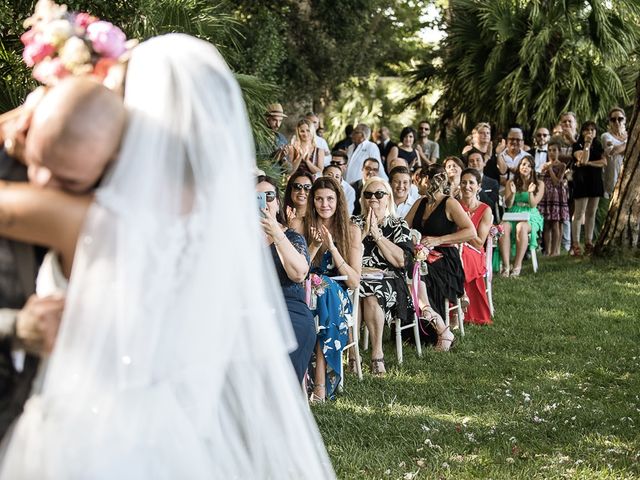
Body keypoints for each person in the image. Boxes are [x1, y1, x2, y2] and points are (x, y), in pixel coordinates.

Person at [0, 33, 335, 478]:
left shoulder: (92, 219)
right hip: (174, 435)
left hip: (83, 436)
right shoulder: (217, 228)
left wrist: (24, 120)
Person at [292, 177, 361, 402]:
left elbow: (354, 281)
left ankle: (319, 381)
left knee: (326, 289)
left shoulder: (351, 229)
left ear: (338, 201)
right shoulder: (300, 225)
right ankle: (309, 381)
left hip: (337, 298)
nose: (324, 204)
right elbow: (298, 270)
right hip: (303, 293)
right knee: (318, 290)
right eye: (319, 199)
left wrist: (332, 247)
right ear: (312, 201)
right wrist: (314, 245)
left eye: (330, 199)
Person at [405, 165, 475, 349]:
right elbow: (403, 227)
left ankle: (434, 326)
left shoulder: (450, 203)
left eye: (417, 178)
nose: (415, 183)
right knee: (408, 271)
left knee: (421, 273)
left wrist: (439, 239)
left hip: (445, 260)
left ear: (427, 180)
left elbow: (471, 232)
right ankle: (420, 324)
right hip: (421, 256)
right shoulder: (420, 203)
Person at [256, 175, 316, 384]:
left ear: (278, 202)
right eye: (256, 197)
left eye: (269, 196)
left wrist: (275, 233)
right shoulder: (239, 238)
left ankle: (278, 400)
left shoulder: (292, 237)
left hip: (289, 308)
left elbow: (299, 273)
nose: (264, 201)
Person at [352, 177, 414, 375]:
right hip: (355, 277)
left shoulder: (397, 225)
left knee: (370, 295)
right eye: (368, 194)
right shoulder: (353, 222)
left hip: (389, 281)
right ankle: (353, 354)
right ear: (362, 199)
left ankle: (376, 354)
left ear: (388, 199)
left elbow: (401, 261)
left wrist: (377, 235)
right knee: (353, 291)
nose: (373, 199)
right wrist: (364, 231)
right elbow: (345, 254)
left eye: (379, 194)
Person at [499, 156, 545, 277]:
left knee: (521, 227)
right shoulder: (511, 182)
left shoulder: (539, 184)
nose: (525, 167)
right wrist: (513, 193)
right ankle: (506, 265)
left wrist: (530, 192)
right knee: (503, 228)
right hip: (513, 212)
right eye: (523, 164)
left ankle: (517, 265)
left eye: (529, 166)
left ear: (532, 169)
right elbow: (508, 204)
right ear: (519, 166)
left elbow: (533, 204)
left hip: (530, 215)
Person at [457, 169, 492, 325]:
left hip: (475, 253)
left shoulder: (485, 210)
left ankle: (461, 296)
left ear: (478, 186)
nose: (467, 186)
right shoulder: (454, 205)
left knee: (462, 253)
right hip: (454, 248)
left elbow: (479, 243)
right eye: (464, 182)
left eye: (471, 183)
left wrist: (466, 225)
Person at [571, 121, 606, 256]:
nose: (590, 132)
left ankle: (588, 242)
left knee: (591, 213)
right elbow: (582, 159)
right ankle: (575, 245)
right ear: (582, 132)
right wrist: (586, 144)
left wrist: (589, 163)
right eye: (587, 130)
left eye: (593, 130)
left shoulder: (598, 145)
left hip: (595, 181)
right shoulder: (577, 145)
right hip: (582, 182)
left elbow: (604, 162)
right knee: (579, 214)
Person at [537, 140, 569, 256]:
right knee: (546, 223)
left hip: (557, 196)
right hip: (546, 196)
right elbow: (539, 181)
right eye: (549, 150)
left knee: (556, 222)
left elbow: (556, 182)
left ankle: (556, 251)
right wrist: (542, 171)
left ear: (559, 152)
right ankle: (548, 250)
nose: (551, 153)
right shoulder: (544, 165)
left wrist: (549, 169)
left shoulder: (562, 165)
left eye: (554, 150)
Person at [467, 151, 500, 223]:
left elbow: (491, 205)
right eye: (471, 161)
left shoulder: (493, 183)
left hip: (486, 218)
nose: (475, 163)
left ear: (484, 163)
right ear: (468, 165)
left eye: (478, 160)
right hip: (467, 218)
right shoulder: (464, 183)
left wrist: (479, 189)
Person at [601, 107, 627, 198]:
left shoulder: (630, 135)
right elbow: (613, 150)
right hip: (611, 184)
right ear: (609, 122)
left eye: (620, 119)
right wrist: (629, 144)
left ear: (625, 120)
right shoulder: (606, 136)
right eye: (613, 119)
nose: (617, 122)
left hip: (628, 181)